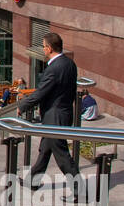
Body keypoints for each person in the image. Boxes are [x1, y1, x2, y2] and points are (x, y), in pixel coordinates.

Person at [16, 33, 80, 191]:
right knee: (45, 150)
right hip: (63, 112)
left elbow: (40, 93)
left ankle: (80, 189)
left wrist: (22, 105)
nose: (43, 49)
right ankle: (33, 181)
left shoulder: (53, 69)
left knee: (62, 155)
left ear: (49, 48)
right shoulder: (70, 64)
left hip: (55, 116)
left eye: (44, 46)